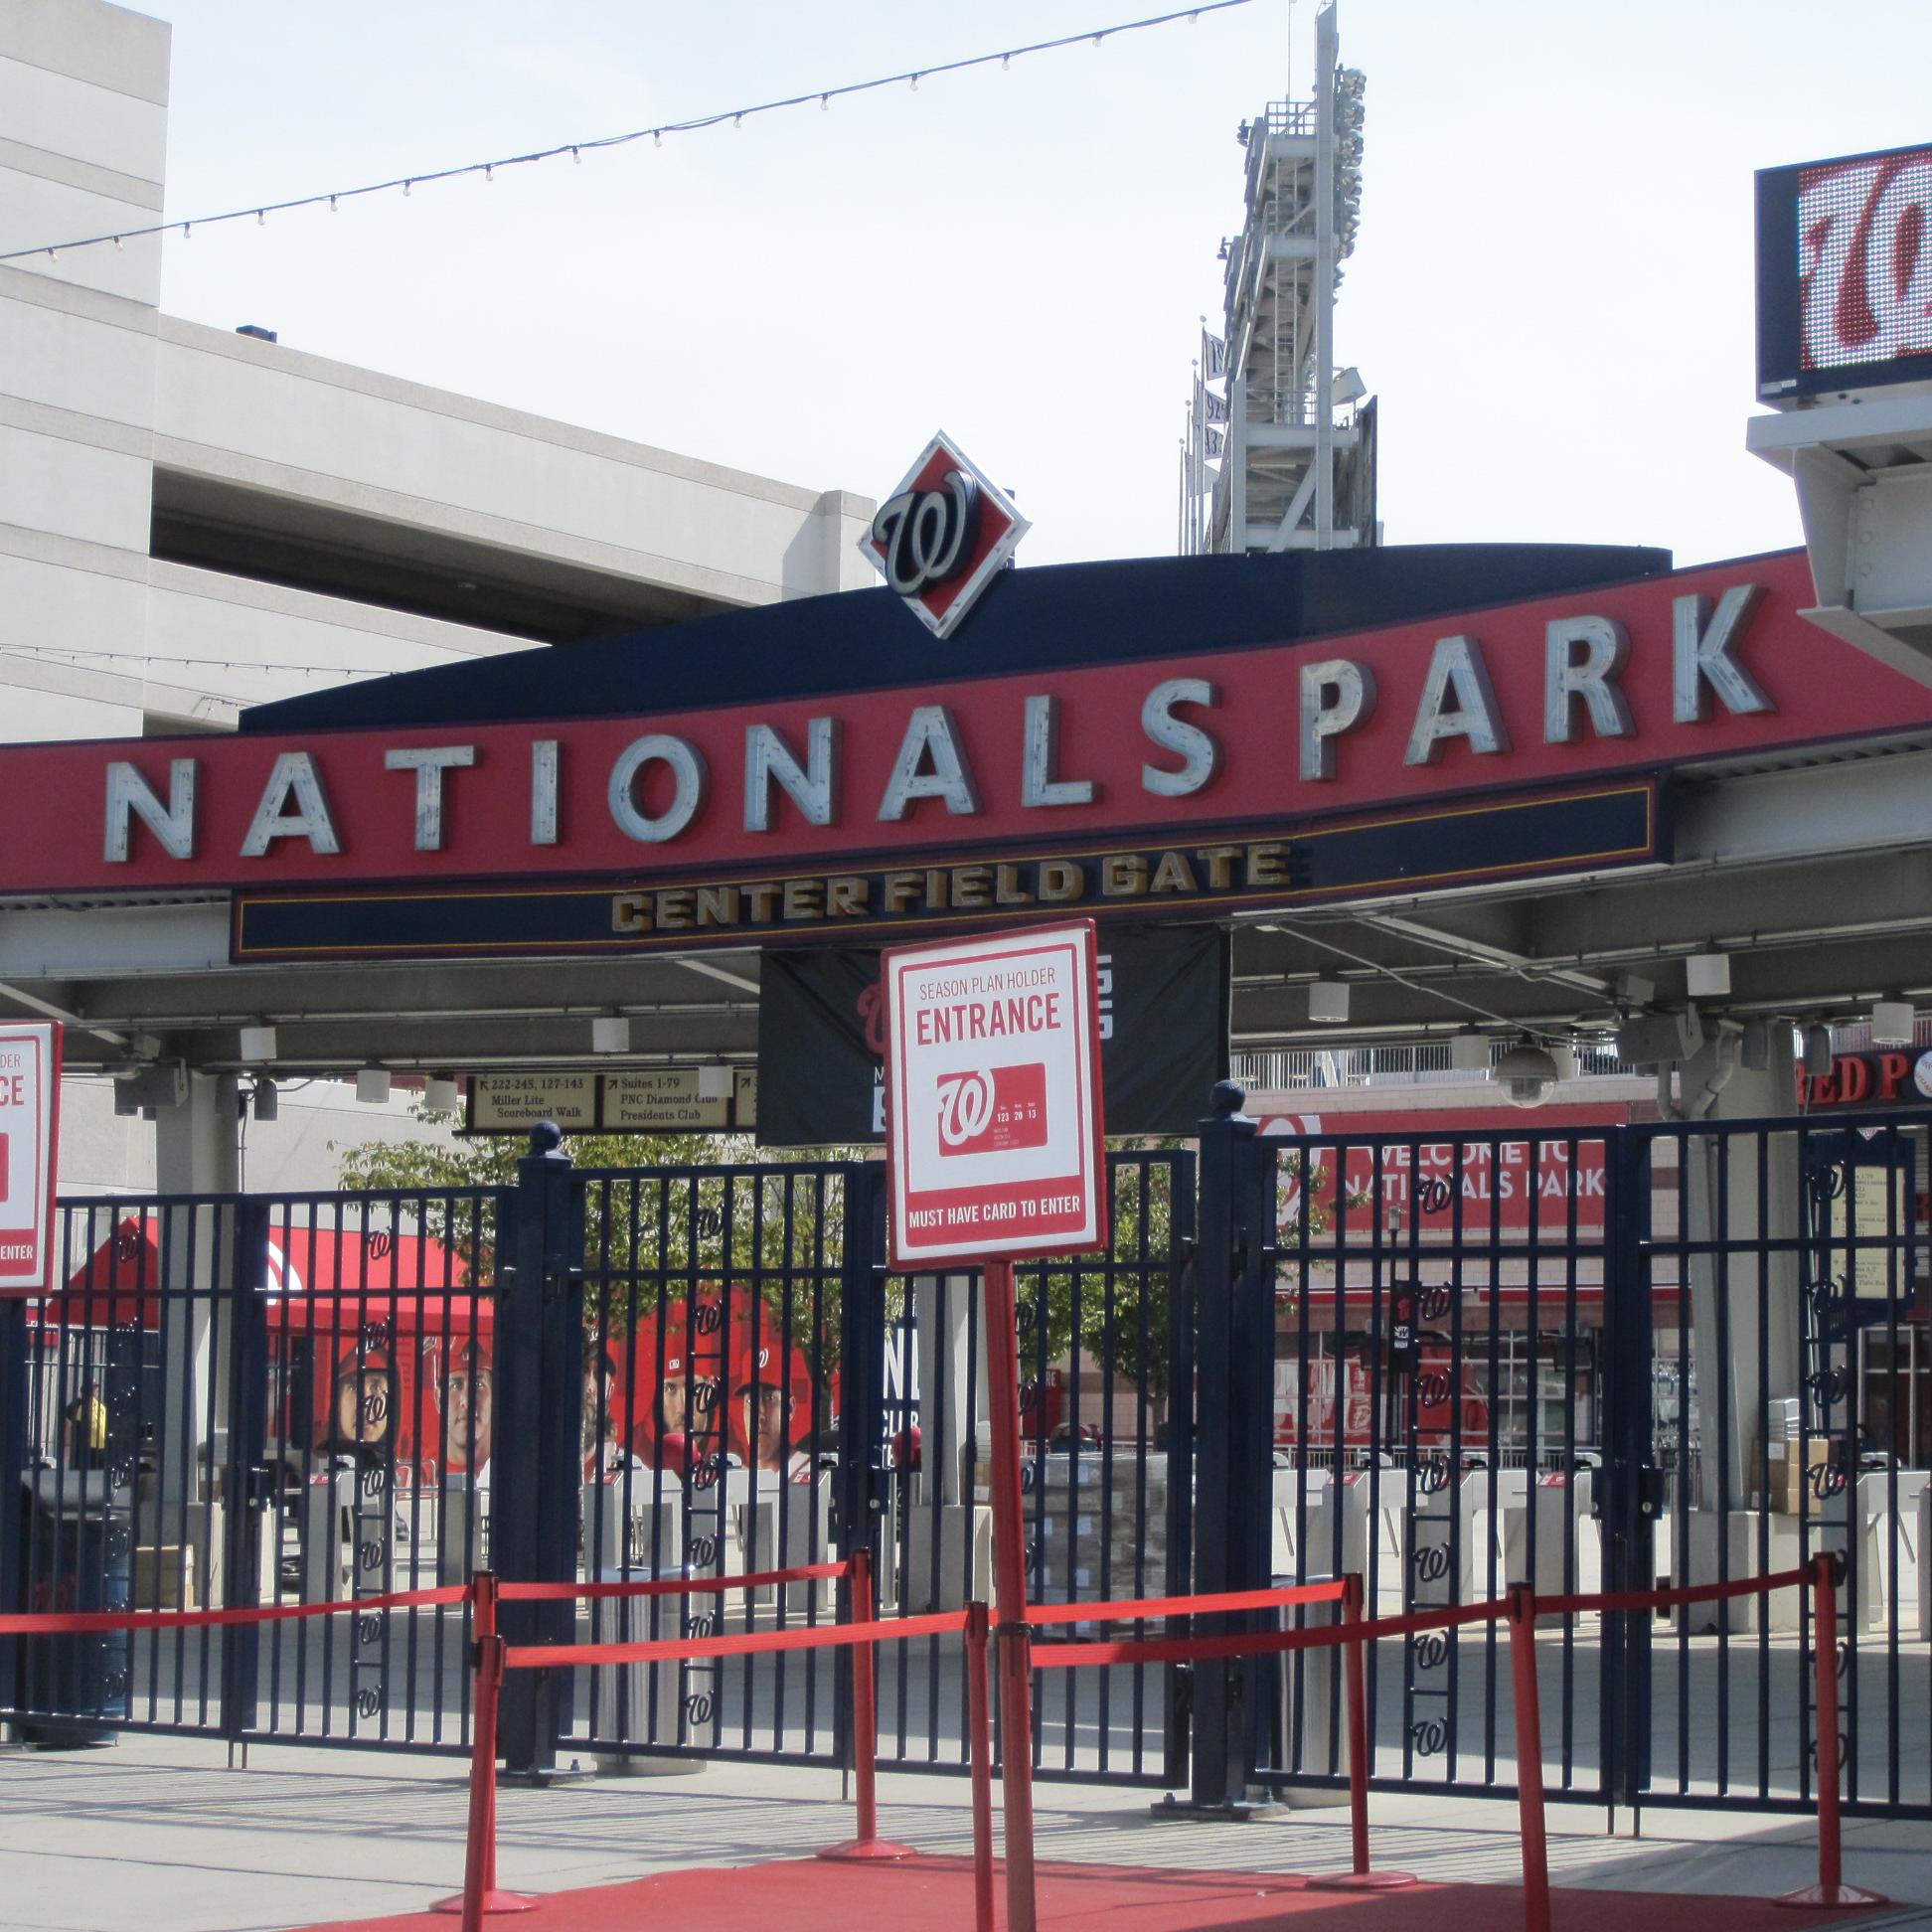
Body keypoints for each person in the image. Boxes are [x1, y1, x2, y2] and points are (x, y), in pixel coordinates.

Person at [316, 1344, 398, 1466]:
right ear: (338, 1402)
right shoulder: (316, 1450)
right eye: (354, 1388)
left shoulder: (412, 1460)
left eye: (376, 1387)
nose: (365, 1403)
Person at [440, 1339, 493, 1481]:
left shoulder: (511, 1473)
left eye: (478, 1384)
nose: (467, 1401)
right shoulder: (419, 1476)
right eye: (456, 1386)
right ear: (438, 1398)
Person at [63, 1380, 107, 1472]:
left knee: (98, 1476)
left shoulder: (101, 1406)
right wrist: (67, 1445)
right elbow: (66, 1424)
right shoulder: (77, 1404)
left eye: (95, 1388)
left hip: (101, 1449)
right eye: (91, 1388)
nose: (93, 1390)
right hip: (83, 1449)